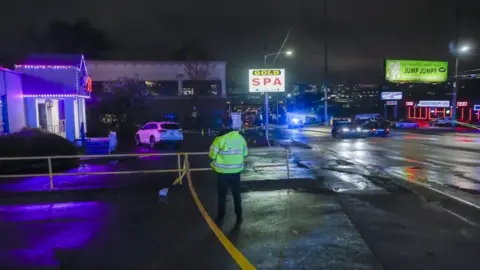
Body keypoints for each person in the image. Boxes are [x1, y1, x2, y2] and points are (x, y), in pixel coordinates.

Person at [209, 118, 248, 225]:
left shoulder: (219, 139)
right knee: (236, 194)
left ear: (223, 125)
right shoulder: (240, 138)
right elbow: (245, 153)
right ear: (231, 124)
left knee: (222, 195)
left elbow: (212, 155)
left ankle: (221, 216)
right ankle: (239, 215)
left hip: (222, 173)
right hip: (236, 172)